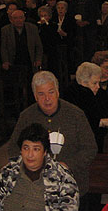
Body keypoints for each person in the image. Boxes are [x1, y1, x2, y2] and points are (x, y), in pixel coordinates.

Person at [7, 71, 97, 203]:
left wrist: (67, 165)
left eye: (51, 92)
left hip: (72, 185)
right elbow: (13, 149)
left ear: (58, 92)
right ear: (35, 96)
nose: (47, 98)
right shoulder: (26, 117)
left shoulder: (75, 115)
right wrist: (32, 167)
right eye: (41, 94)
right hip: (36, 189)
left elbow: (90, 149)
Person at [64, 62, 108, 153]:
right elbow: (82, 122)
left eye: (99, 83)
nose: (98, 87)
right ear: (83, 83)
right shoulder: (72, 96)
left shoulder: (100, 94)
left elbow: (107, 112)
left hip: (97, 143)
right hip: (78, 146)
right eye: (94, 83)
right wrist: (105, 122)